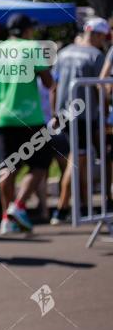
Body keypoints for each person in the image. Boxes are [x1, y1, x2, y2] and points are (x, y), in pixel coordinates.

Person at [0, 13, 55, 234]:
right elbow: (48, 81)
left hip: (4, 118)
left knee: (7, 167)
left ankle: (7, 218)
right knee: (41, 164)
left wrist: (1, 106)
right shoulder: (32, 47)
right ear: (25, 31)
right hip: (31, 117)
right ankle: (19, 205)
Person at [49, 17, 110, 224]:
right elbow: (99, 89)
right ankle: (61, 208)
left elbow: (54, 87)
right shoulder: (96, 55)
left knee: (77, 161)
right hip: (84, 117)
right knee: (76, 162)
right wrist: (103, 115)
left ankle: (82, 206)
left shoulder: (65, 52)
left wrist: (54, 113)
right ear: (98, 35)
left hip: (65, 114)